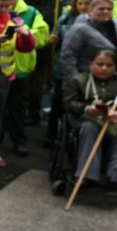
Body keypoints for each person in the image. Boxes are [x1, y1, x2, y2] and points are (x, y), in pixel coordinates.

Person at [0, 0, 35, 167]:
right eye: (0, 6)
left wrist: (26, 35)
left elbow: (25, 47)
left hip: (4, 77)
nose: (4, 9)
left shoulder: (16, 21)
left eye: (7, 6)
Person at [63, 50, 117, 188]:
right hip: (84, 119)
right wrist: (87, 109)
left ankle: (114, 176)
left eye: (109, 65)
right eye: (100, 64)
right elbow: (68, 103)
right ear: (91, 64)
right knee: (90, 128)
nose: (104, 68)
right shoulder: (79, 80)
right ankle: (87, 176)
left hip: (112, 121)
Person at [5, 0, 48, 156]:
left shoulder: (31, 12)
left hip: (20, 69)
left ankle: (18, 141)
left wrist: (24, 33)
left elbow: (43, 36)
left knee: (18, 108)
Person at [45, 0, 90, 147]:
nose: (83, 7)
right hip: (63, 69)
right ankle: (51, 136)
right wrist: (54, 39)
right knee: (58, 103)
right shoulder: (64, 19)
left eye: (87, 4)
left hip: (86, 70)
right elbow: (56, 37)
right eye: (81, 4)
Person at [60, 0, 116, 85]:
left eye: (109, 9)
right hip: (84, 82)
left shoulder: (113, 28)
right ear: (90, 10)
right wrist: (76, 82)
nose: (106, 11)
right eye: (101, 9)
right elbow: (68, 57)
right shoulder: (79, 29)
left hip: (109, 84)